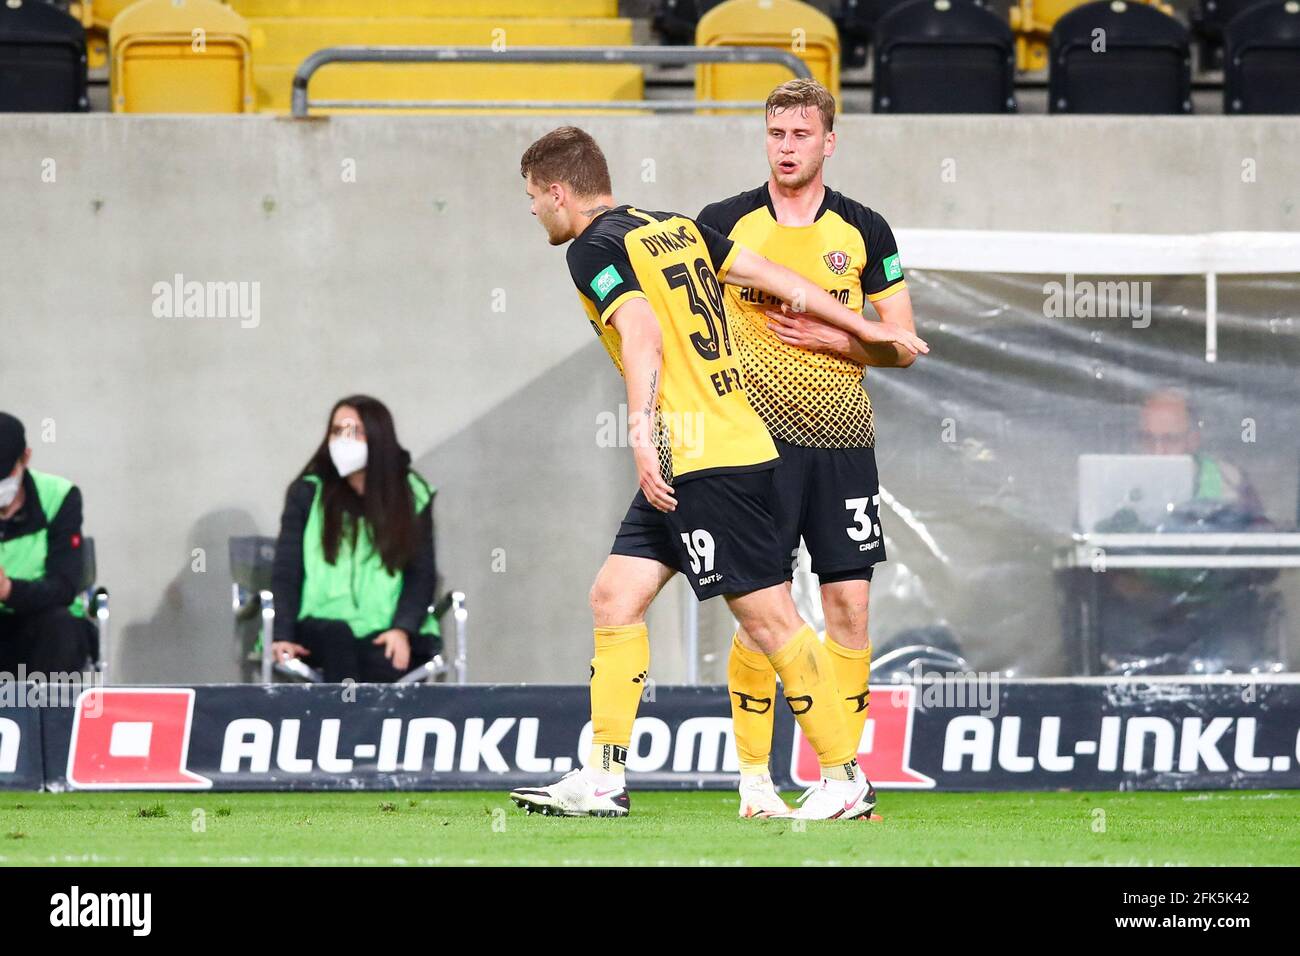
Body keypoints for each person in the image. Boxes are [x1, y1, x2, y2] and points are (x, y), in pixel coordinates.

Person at [508, 126, 927, 820]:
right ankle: (604, 776)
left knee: (772, 622)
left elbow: (640, 331)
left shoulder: (595, 248)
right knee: (614, 596)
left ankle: (845, 777)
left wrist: (641, 434)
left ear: (559, 191)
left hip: (705, 458)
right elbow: (781, 280)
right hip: (719, 445)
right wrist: (866, 327)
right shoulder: (671, 226)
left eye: (531, 197)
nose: (532, 212)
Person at [697, 78, 918, 818]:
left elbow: (903, 346)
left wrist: (836, 337)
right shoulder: (721, 223)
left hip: (842, 439)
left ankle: (839, 776)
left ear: (829, 140)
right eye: (775, 133)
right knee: (764, 608)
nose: (786, 147)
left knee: (848, 605)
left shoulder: (866, 230)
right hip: (751, 444)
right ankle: (756, 778)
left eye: (800, 134)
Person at [269, 396, 439, 683]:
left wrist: (402, 629)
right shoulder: (308, 493)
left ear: (378, 437)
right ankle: (348, 721)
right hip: (318, 628)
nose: (343, 441)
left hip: (386, 629)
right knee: (338, 638)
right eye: (337, 431)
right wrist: (281, 634)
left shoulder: (412, 494)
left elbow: (421, 573)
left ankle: (361, 725)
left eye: (355, 432)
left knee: (384, 661)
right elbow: (287, 571)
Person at [0, 412, 95, 676]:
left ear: (25, 458)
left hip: (37, 624)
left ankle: (48, 713)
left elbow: (64, 586)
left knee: (60, 626)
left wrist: (9, 590)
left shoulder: (59, 496)